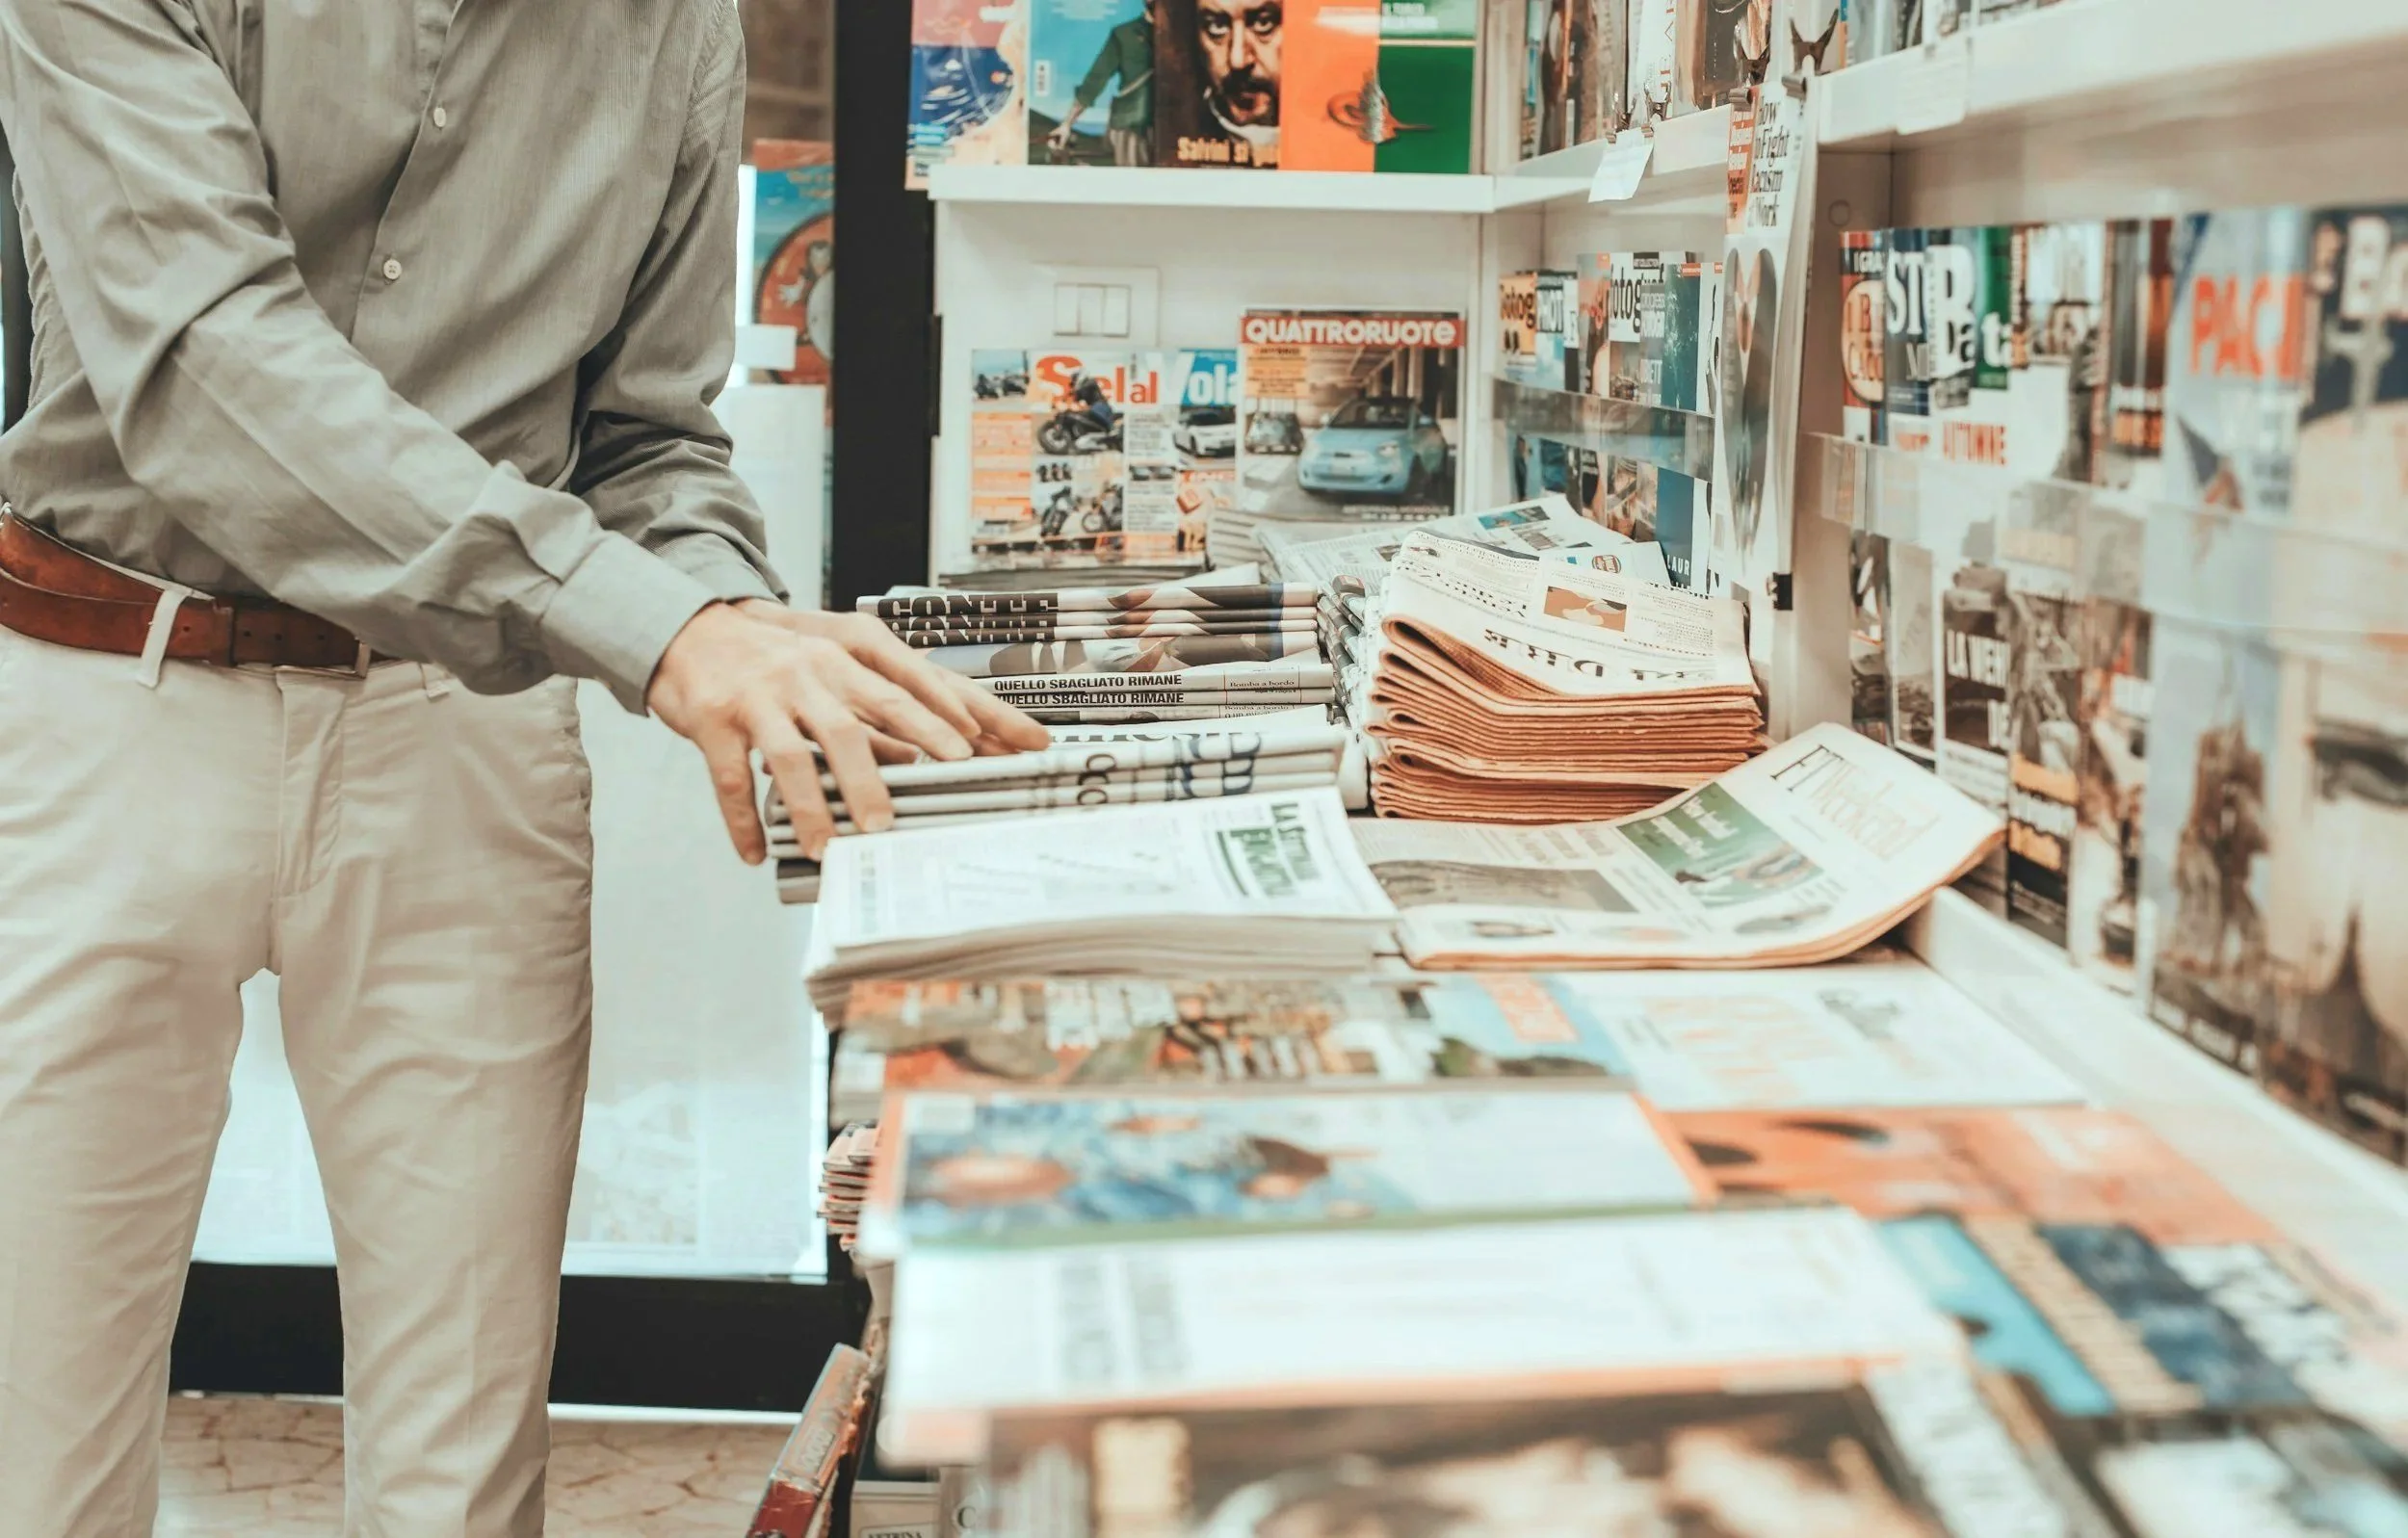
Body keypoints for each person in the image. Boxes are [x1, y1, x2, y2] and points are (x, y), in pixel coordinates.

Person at [0, 4, 1048, 1534]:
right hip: (103, 699)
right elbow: (206, 359)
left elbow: (648, 438)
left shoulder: (674, 26)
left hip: (457, 734)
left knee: (466, 1451)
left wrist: (735, 617)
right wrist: (659, 628)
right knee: (39, 1424)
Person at [1048, 0, 1157, 167]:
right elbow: (1094, 82)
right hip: (1132, 127)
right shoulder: (1124, 34)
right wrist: (1066, 124)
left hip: (1180, 125)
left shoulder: (1189, 36)